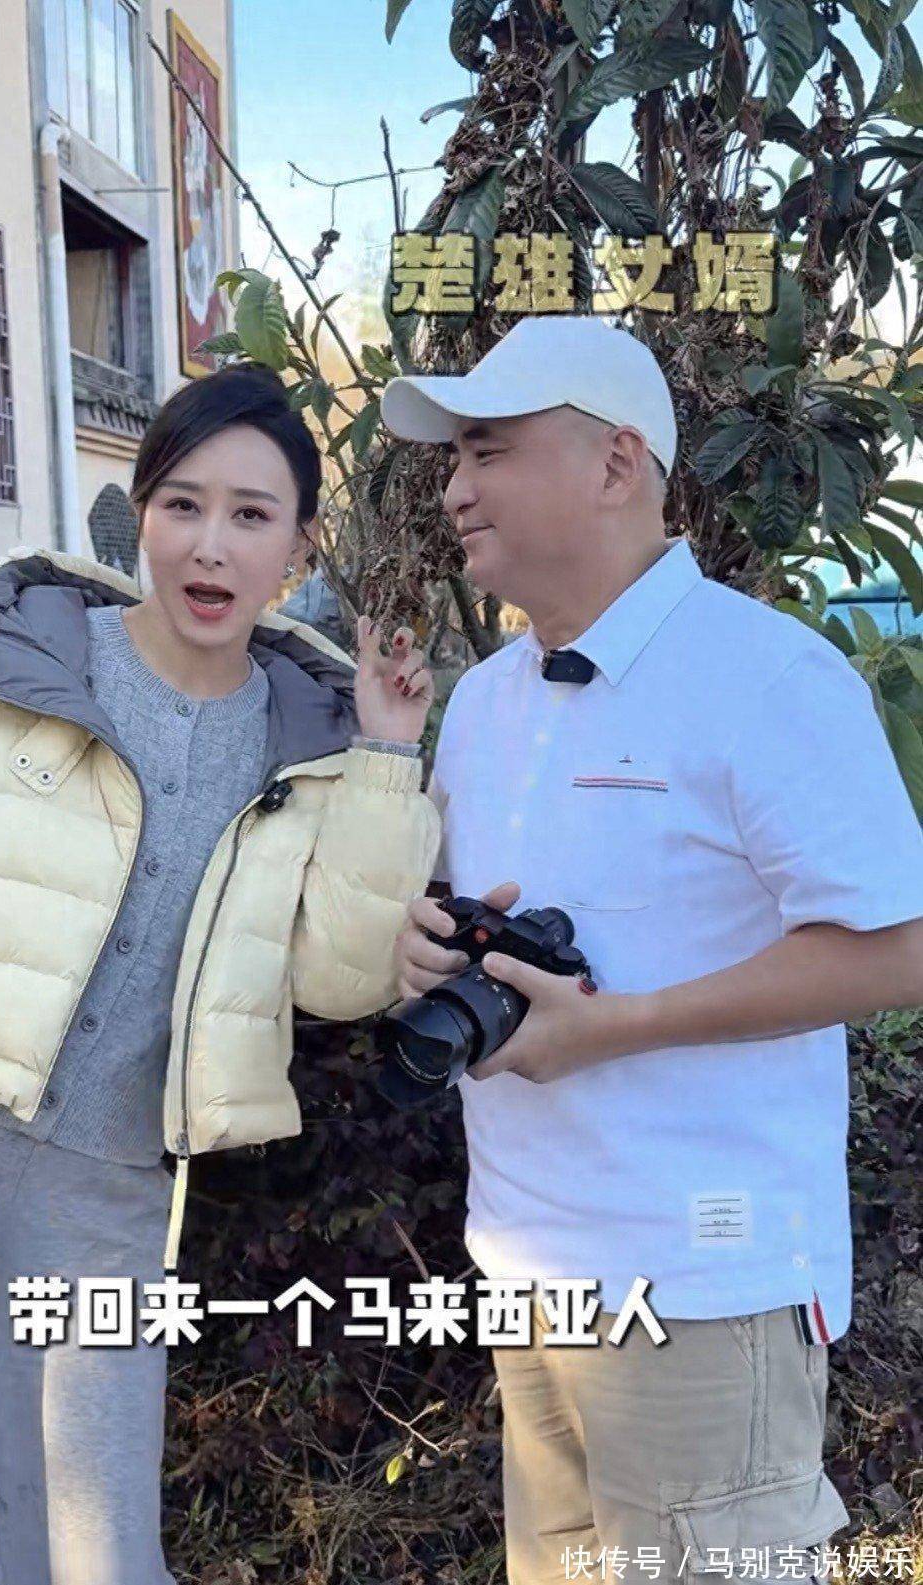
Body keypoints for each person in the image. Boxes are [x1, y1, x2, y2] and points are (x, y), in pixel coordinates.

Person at [0, 364, 441, 1585]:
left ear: (300, 545)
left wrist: (384, 756)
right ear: (140, 511)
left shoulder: (311, 748)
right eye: (183, 504)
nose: (210, 545)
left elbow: (340, 979)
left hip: (107, 1176)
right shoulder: (14, 670)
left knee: (94, 1546)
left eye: (252, 515)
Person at [381, 316, 923, 1585]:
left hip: (701, 1283)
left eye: (488, 451)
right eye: (453, 459)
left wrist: (618, 1025)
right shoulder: (484, 700)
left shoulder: (768, 676)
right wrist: (423, 946)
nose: (455, 489)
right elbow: (473, 917)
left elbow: (901, 948)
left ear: (617, 463)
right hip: (528, 1266)